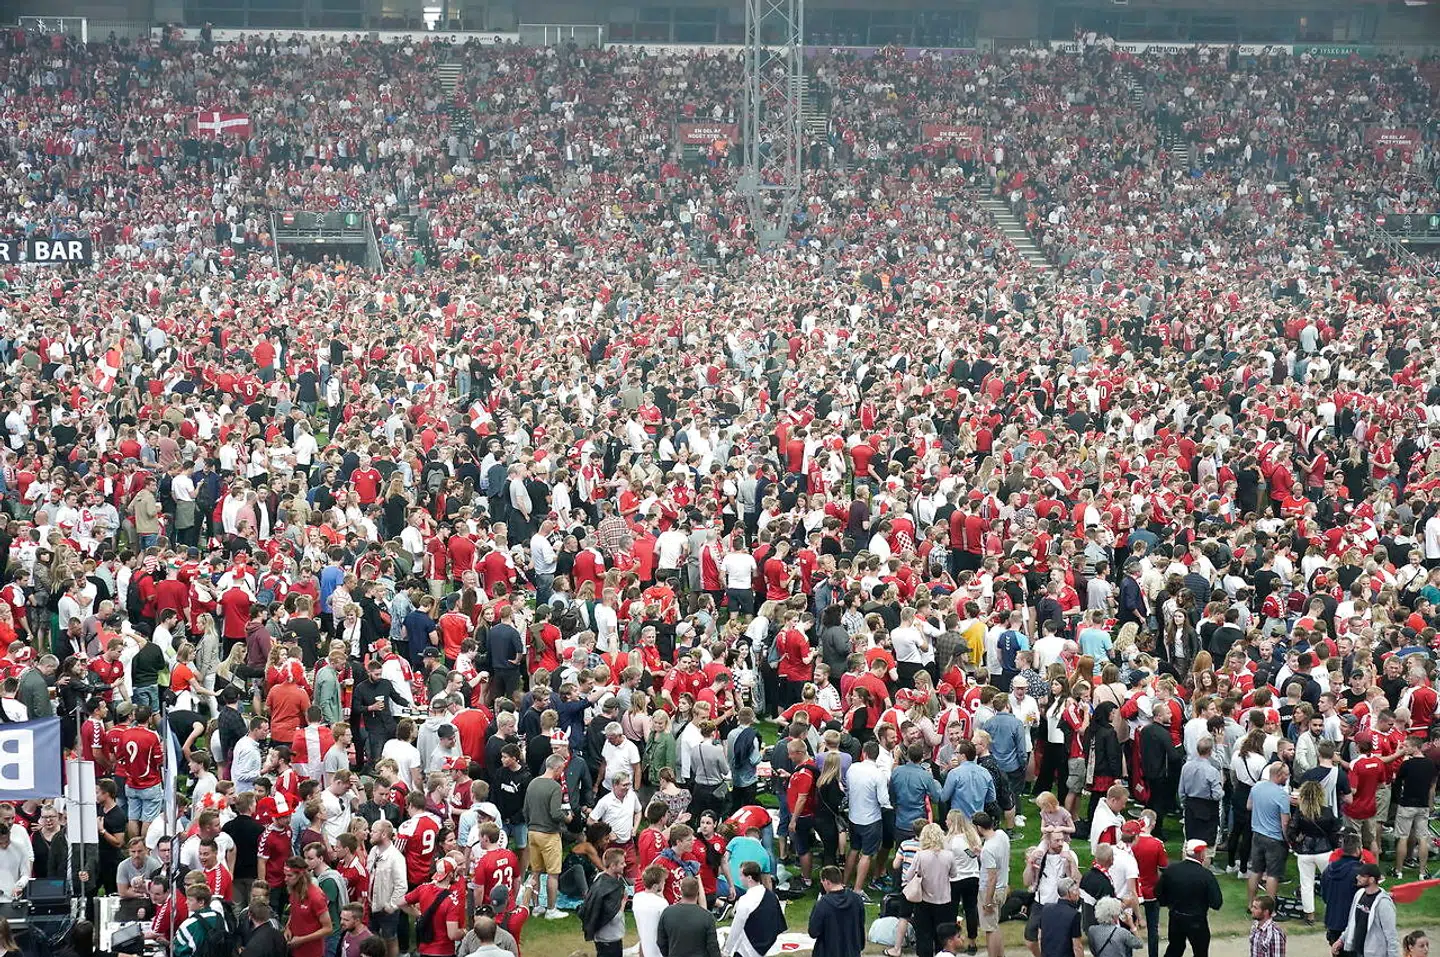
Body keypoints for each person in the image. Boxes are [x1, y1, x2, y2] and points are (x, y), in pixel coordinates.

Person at [1154, 840, 1222, 957]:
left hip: (1176, 917)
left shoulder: (1171, 870)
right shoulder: (1206, 875)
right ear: (1201, 854)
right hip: (1197, 921)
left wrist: (1169, 904)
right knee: (1200, 952)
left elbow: (1158, 893)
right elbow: (1216, 903)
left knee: (1175, 948)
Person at [903, 823, 957, 957]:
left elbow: (908, 876)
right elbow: (954, 874)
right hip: (944, 901)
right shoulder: (949, 855)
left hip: (925, 901)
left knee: (924, 936)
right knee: (943, 937)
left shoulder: (920, 856)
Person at [1334, 864, 1399, 957]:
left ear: (1372, 879)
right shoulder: (1359, 894)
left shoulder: (1384, 904)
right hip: (1358, 952)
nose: (1357, 877)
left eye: (1362, 876)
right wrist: (1341, 940)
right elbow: (1352, 922)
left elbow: (1391, 936)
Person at [724, 861, 785, 957]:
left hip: (750, 948)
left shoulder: (745, 900)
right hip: (769, 944)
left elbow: (736, 928)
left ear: (749, 878)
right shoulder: (772, 896)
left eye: (741, 875)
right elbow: (779, 923)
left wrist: (726, 951)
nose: (740, 878)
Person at [579, 848, 629, 957]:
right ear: (612, 866)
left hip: (601, 936)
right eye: (621, 863)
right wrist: (623, 903)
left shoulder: (599, 878)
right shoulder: (612, 890)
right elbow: (615, 917)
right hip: (610, 938)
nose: (624, 865)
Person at [656, 876, 721, 957]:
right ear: (698, 891)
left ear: (681, 891)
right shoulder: (707, 917)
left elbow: (661, 942)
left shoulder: (667, 913)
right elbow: (713, 947)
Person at [808, 866, 865, 957]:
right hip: (851, 952)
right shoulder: (857, 899)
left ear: (827, 881)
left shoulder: (822, 904)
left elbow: (813, 932)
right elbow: (861, 925)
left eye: (822, 882)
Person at [976, 813, 1010, 957]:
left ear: (978, 827)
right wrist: (980, 852)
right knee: (995, 925)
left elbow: (991, 878)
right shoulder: (1002, 835)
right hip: (1002, 887)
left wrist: (988, 902)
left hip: (990, 891)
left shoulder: (988, 849)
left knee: (990, 929)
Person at [1034, 877, 1081, 957]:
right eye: (1076, 890)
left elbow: (1039, 937)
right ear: (1069, 893)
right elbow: (1077, 947)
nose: (1078, 893)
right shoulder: (1074, 915)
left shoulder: (1046, 908)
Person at [633, 866, 670, 957]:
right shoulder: (661, 903)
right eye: (663, 882)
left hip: (645, 946)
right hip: (659, 950)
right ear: (655, 886)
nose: (664, 883)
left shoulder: (637, 897)